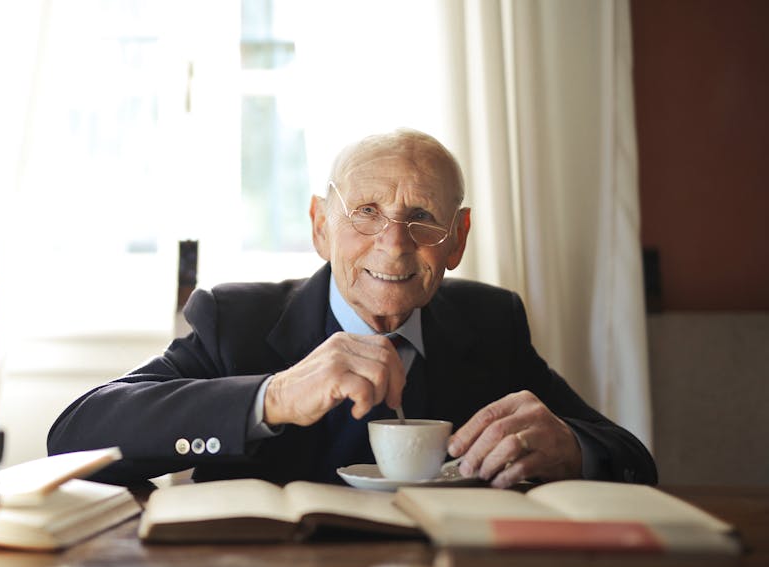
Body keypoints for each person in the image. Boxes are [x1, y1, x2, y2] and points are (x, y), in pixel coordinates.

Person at [47, 128, 657, 489]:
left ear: (459, 238)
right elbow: (75, 436)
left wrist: (575, 450)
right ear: (320, 225)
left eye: (421, 218)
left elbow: (632, 459)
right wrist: (274, 396)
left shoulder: (491, 324)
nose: (394, 244)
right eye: (366, 212)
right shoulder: (236, 322)